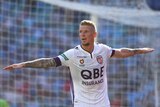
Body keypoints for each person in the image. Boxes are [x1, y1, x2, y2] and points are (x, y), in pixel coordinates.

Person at [3, 20, 154, 107]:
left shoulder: (103, 50)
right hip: (82, 103)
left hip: (102, 103)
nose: (82, 34)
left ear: (94, 34)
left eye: (86, 32)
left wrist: (139, 50)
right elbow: (48, 62)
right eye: (81, 32)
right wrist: (23, 64)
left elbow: (121, 52)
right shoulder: (72, 54)